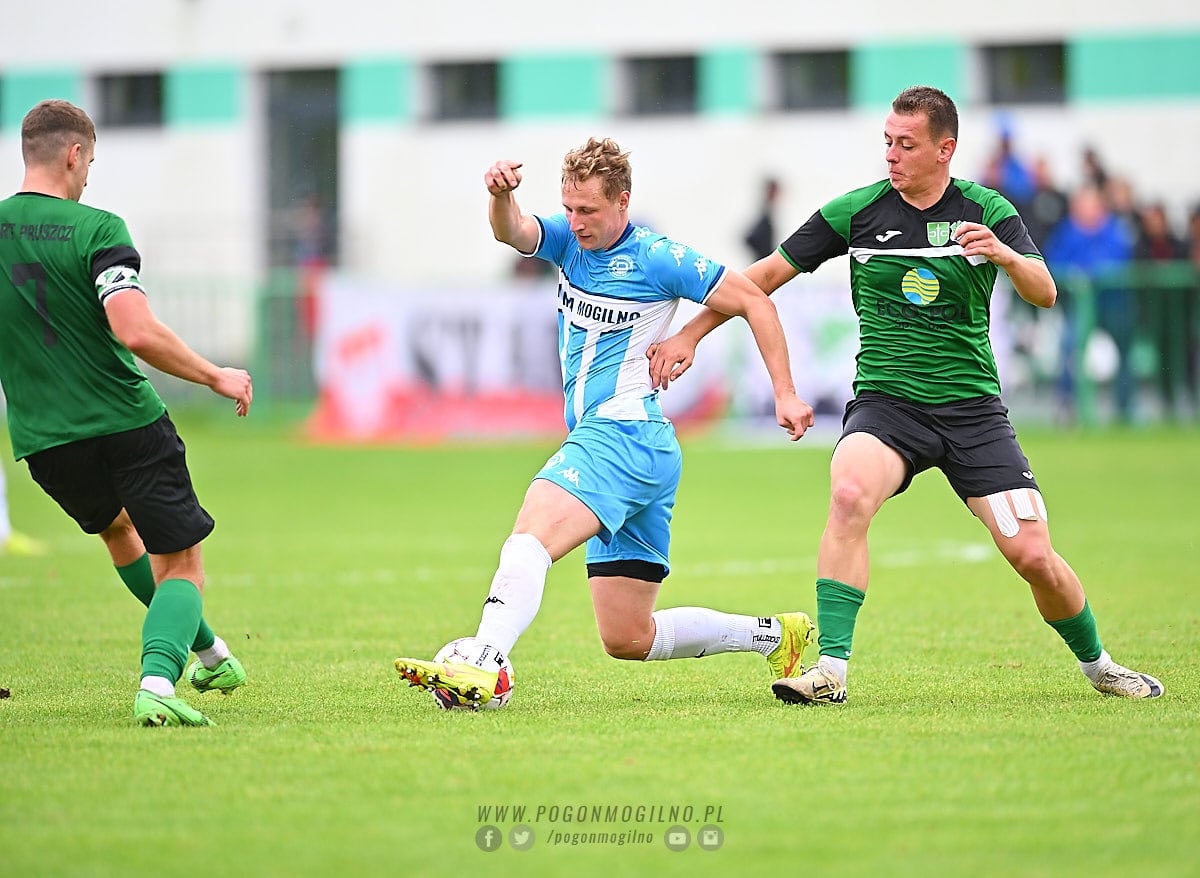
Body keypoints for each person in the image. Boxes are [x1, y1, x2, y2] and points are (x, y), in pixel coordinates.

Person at [649, 86, 1164, 704]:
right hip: (887, 407)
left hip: (973, 413)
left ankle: (1100, 666)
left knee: (1032, 555)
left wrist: (1004, 255)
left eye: (906, 144)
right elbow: (758, 279)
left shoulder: (987, 210)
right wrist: (690, 334)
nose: (891, 155)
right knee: (848, 495)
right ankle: (830, 673)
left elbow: (1045, 292)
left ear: (945, 149)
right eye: (887, 142)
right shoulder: (856, 212)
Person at [394, 137, 817, 708]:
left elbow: (756, 301)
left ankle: (482, 662)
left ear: (622, 200)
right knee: (628, 637)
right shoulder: (567, 240)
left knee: (528, 540)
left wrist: (784, 393)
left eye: (588, 210)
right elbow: (511, 231)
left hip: (621, 434)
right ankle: (773, 635)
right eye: (569, 208)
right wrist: (499, 196)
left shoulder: (657, 257)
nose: (576, 222)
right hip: (642, 449)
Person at [0, 99, 254, 726]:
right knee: (183, 565)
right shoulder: (97, 229)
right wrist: (215, 374)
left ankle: (211, 654)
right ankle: (158, 684)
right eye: (90, 163)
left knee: (120, 532)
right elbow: (134, 330)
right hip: (125, 422)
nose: (88, 177)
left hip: (44, 440)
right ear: (74, 155)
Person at [1043, 184, 1136, 422]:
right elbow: (1052, 260)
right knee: (1069, 349)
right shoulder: (1067, 231)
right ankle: (1067, 406)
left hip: (1114, 305)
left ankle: (1125, 410)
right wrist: (1073, 274)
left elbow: (1121, 260)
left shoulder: (1115, 230)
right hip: (1080, 306)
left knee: (1125, 353)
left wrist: (1092, 274)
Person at [743, 177, 782, 260]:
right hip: (763, 259)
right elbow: (751, 238)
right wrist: (764, 253)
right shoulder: (765, 213)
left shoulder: (770, 211)